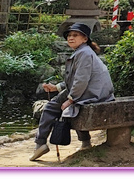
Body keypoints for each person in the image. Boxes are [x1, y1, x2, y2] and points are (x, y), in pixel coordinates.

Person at [30, 23, 114, 162]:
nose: (70, 38)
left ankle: (40, 143)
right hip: (94, 92)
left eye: (75, 35)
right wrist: (56, 87)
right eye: (69, 35)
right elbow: (76, 79)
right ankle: (85, 143)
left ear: (84, 38)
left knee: (50, 108)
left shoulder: (84, 53)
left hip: (92, 93)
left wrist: (70, 99)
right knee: (73, 109)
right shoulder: (83, 52)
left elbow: (81, 81)